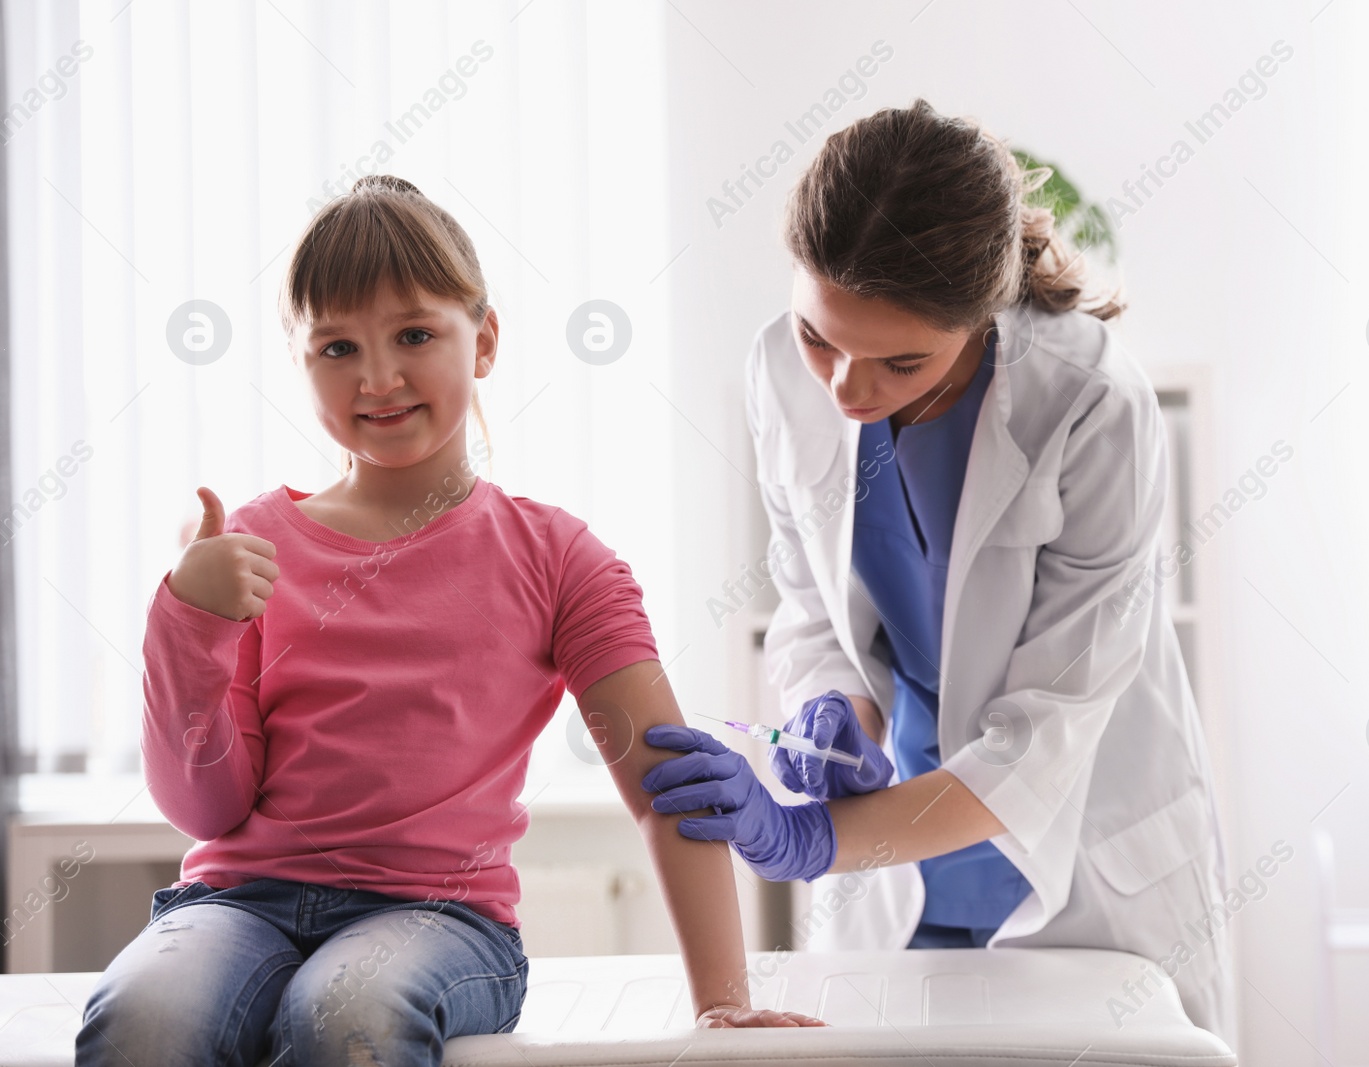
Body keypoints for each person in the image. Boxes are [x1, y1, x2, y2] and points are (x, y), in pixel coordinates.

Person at [76, 175, 823, 1067]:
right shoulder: (246, 547)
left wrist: (723, 1005)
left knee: (347, 1015)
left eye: (415, 335)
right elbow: (206, 804)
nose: (378, 376)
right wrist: (187, 621)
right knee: (142, 1017)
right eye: (337, 346)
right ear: (299, 361)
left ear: (485, 340)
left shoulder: (557, 558)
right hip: (239, 902)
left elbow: (671, 784)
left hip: (440, 918)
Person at [641, 99, 1235, 1046]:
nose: (844, 388)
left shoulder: (1090, 403)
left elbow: (1044, 736)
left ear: (980, 315)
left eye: (899, 361)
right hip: (898, 873)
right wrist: (830, 711)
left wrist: (822, 839)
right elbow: (811, 608)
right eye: (818, 337)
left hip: (1080, 871)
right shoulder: (776, 370)